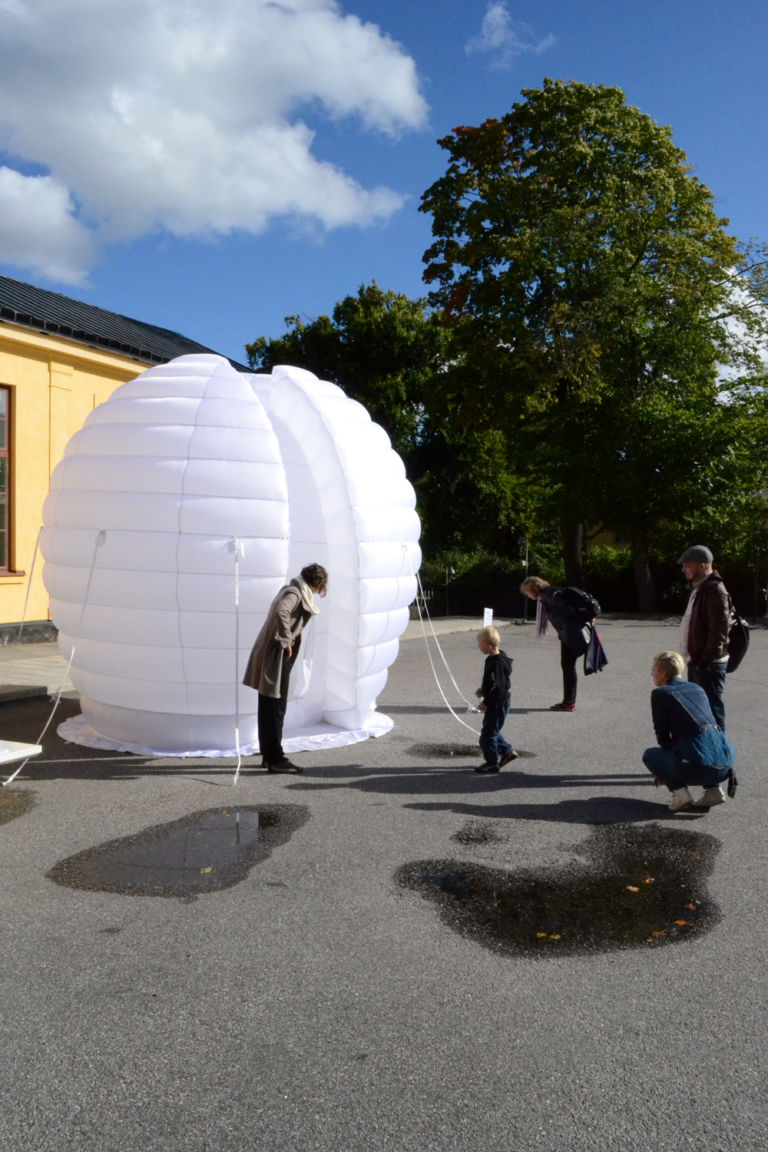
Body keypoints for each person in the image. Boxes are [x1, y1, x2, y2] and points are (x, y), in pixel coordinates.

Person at [243, 563, 328, 774]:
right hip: (275, 658)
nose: (319, 592)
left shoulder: (292, 589)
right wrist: (286, 640)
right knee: (275, 708)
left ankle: (269, 755)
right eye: (320, 587)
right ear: (316, 583)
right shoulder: (295, 592)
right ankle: (275, 759)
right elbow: (282, 611)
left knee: (268, 706)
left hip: (272, 655)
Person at [642, 650, 735, 812]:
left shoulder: (660, 693)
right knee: (704, 743)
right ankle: (714, 789)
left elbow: (662, 735)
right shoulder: (697, 688)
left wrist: (664, 769)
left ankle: (680, 793)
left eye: (654, 670)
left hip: (695, 770)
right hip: (725, 768)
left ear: (663, 673)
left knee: (650, 756)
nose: (651, 673)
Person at [520, 576, 600, 711]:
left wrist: (586, 618)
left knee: (568, 666)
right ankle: (569, 701)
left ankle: (569, 702)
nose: (528, 595)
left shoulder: (548, 596)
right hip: (569, 634)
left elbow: (569, 609)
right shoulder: (550, 592)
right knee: (568, 666)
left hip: (572, 634)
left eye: (527, 591)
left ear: (533, 589)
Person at [678, 545, 731, 731]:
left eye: (687, 565)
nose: (684, 569)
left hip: (708, 664)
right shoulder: (701, 588)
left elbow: (719, 633)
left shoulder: (715, 590)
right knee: (700, 710)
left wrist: (704, 661)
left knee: (712, 710)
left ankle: (719, 754)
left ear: (702, 565)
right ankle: (706, 752)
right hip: (698, 660)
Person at [474, 625, 517, 774]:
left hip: (498, 703)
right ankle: (507, 751)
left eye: (481, 644)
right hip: (498, 700)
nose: (479, 647)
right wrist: (483, 690)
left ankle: (492, 762)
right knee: (492, 729)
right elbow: (494, 683)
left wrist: (486, 702)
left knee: (487, 735)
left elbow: (498, 688)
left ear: (490, 645)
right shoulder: (494, 658)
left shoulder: (496, 664)